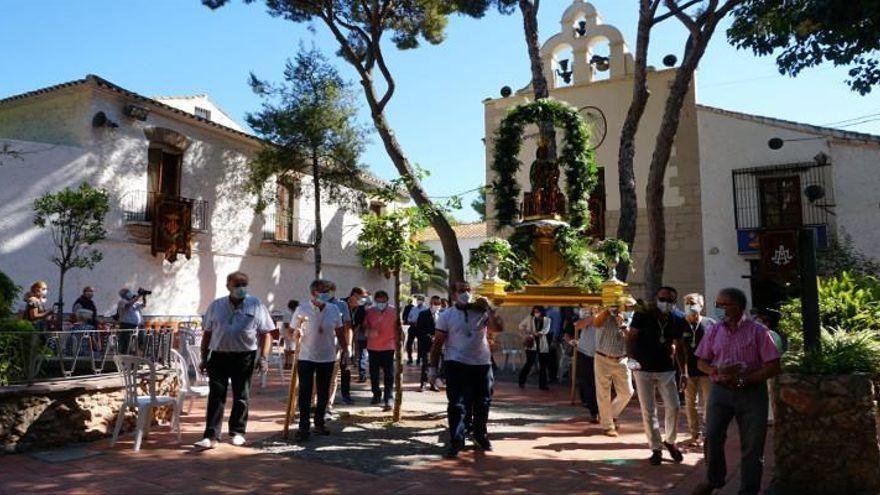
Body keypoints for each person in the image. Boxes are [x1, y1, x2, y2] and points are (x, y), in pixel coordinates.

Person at [691, 288, 781, 495]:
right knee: (712, 436)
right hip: (720, 392)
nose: (719, 309)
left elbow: (774, 366)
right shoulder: (714, 330)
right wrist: (715, 370)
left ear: (739, 307)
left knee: (752, 445)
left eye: (724, 305)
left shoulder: (758, 332)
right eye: (718, 304)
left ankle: (748, 490)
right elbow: (701, 361)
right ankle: (713, 479)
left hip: (751, 393)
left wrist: (745, 380)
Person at [194, 271, 275, 449]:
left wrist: (264, 358)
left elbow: (266, 333)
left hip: (244, 356)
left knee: (241, 395)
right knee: (216, 396)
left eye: (244, 284)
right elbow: (207, 333)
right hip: (218, 355)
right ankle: (211, 436)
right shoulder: (216, 305)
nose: (241, 288)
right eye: (237, 284)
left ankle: (238, 432)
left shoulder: (256, 305)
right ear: (228, 285)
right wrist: (203, 357)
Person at [428, 281, 503, 458]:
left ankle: (480, 435)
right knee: (457, 404)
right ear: (453, 294)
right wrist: (433, 368)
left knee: (483, 402)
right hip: (456, 363)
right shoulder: (447, 315)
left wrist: (489, 308)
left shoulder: (481, 312)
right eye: (461, 290)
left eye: (469, 290)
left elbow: (498, 328)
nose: (466, 293)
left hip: (482, 364)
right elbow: (438, 343)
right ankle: (457, 440)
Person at [627, 286, 686, 466]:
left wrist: (684, 371)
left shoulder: (678, 318)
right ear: (656, 297)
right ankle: (656, 448)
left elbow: (680, 346)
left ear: (674, 302)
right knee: (648, 409)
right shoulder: (643, 314)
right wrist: (631, 359)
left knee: (674, 406)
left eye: (670, 300)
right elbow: (631, 337)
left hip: (666, 369)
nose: (665, 303)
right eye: (662, 299)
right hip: (643, 368)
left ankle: (670, 440)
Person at [291, 279, 347, 442]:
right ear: (313, 293)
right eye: (322, 291)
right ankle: (303, 426)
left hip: (327, 356)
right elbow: (292, 331)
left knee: (323, 392)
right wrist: (297, 334)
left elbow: (340, 330)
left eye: (327, 291)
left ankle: (319, 423)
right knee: (306, 391)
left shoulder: (334, 309)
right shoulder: (302, 309)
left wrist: (346, 349)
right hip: (306, 356)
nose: (325, 294)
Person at [593, 295, 636, 437]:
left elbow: (632, 338)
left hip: (622, 360)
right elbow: (596, 323)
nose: (630, 309)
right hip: (602, 358)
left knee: (627, 392)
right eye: (628, 306)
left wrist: (623, 325)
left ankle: (610, 414)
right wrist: (608, 311)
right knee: (603, 393)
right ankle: (608, 425)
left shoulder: (631, 318)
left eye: (632, 307)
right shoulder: (604, 313)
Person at [681, 293, 715, 446]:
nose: (690, 305)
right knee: (690, 404)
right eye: (687, 303)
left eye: (693, 303)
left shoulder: (710, 324)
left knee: (708, 403)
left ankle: (708, 433)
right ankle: (695, 435)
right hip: (689, 371)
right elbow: (678, 349)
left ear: (701, 305)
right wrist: (682, 371)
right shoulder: (681, 324)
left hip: (707, 371)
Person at [564, 306, 600, 423]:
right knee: (588, 383)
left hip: (603, 354)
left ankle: (604, 411)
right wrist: (572, 342)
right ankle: (594, 412)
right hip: (585, 352)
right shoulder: (581, 315)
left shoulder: (608, 316)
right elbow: (573, 328)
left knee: (602, 384)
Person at [364, 290, 397, 410]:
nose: (380, 303)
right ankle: (376, 394)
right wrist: (369, 331)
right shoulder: (370, 311)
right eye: (378, 301)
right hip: (373, 347)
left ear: (387, 300)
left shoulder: (394, 311)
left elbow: (398, 327)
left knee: (389, 374)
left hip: (389, 346)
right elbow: (364, 327)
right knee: (374, 373)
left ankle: (389, 397)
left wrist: (399, 345)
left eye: (383, 301)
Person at [327, 282, 354, 408]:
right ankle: (314, 402)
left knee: (333, 375)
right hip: (318, 347)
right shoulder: (313, 305)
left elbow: (347, 327)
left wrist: (347, 346)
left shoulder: (341, 305)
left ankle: (328, 404)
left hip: (336, 345)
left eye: (328, 290)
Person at [518, 305, 551, 390]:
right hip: (531, 342)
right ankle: (521, 381)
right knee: (529, 363)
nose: (536, 313)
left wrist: (538, 333)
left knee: (543, 365)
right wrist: (526, 334)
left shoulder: (547, 320)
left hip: (542, 343)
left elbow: (546, 330)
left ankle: (543, 385)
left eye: (538, 311)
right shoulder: (529, 318)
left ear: (542, 312)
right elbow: (521, 325)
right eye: (535, 311)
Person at [414, 295, 442, 391]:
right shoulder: (423, 314)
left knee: (436, 364)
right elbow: (419, 330)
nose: (436, 305)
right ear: (430, 303)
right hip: (426, 344)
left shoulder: (442, 315)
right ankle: (423, 383)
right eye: (434, 303)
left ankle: (433, 384)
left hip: (439, 344)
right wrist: (429, 337)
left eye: (438, 303)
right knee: (426, 363)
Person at [345, 287, 369, 383]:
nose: (363, 299)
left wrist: (355, 332)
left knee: (361, 355)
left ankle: (362, 375)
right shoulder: (345, 304)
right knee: (359, 355)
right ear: (355, 295)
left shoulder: (362, 308)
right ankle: (360, 373)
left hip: (360, 334)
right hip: (349, 334)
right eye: (361, 297)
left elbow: (360, 323)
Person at [116, 287, 146, 354]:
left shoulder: (134, 302)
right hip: (126, 326)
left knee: (140, 342)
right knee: (126, 343)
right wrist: (139, 296)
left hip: (137, 326)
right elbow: (128, 305)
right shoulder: (122, 301)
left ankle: (137, 354)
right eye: (127, 292)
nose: (130, 293)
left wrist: (144, 296)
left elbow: (144, 305)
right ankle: (125, 355)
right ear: (124, 294)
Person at [405, 294, 426, 365]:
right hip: (413, 327)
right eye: (418, 299)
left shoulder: (425, 309)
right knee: (409, 343)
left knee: (420, 345)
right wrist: (411, 321)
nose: (419, 301)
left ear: (423, 301)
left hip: (421, 328)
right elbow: (408, 318)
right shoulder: (413, 308)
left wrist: (419, 322)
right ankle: (410, 358)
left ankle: (418, 359)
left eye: (420, 299)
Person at [544, 306, 563, 383]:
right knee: (546, 356)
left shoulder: (554, 311)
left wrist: (554, 339)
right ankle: (548, 375)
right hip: (545, 335)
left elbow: (556, 326)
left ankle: (552, 376)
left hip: (551, 335)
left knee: (551, 357)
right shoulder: (545, 311)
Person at [281, 300, 299, 369]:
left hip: (292, 332)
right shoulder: (287, 313)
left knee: (292, 349)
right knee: (288, 349)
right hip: (287, 332)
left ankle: (290, 363)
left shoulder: (293, 312)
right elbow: (286, 324)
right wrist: (292, 331)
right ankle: (287, 363)